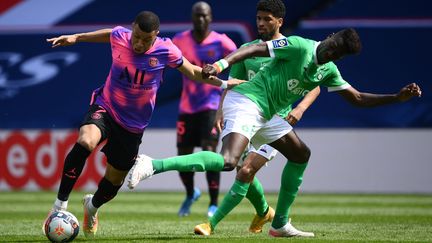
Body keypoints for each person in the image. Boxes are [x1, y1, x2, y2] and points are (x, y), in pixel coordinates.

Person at [127, 27, 421, 237]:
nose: (331, 50)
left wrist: (396, 97)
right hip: (247, 101)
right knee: (230, 161)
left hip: (268, 115)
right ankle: (152, 164)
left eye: (337, 53)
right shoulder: (300, 46)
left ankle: (279, 223)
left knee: (300, 154)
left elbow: (356, 98)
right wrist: (222, 63)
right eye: (333, 44)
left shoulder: (328, 70)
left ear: (340, 57)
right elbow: (255, 48)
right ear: (330, 37)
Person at [43, 10, 243, 238]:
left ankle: (92, 207)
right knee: (86, 141)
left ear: (155, 35)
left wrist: (224, 84)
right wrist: (77, 38)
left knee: (115, 180)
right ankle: (59, 206)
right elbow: (109, 34)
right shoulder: (121, 36)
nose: (138, 43)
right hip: (106, 107)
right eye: (136, 36)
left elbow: (195, 72)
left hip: (133, 126)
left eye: (145, 40)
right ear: (132, 28)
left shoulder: (166, 49)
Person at [215, 0, 320, 233]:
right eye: (258, 18)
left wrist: (300, 108)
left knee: (245, 171)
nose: (261, 23)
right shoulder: (248, 49)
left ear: (280, 21)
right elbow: (233, 83)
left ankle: (211, 223)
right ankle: (264, 212)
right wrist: (220, 110)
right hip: (247, 114)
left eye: (267, 19)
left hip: (275, 120)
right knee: (238, 168)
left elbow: (316, 83)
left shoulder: (292, 48)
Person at [172, 1, 237, 218]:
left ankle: (213, 203)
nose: (201, 19)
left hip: (211, 106)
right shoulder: (180, 40)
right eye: (197, 15)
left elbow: (239, 59)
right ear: (192, 17)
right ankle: (191, 193)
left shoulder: (222, 42)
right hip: (186, 108)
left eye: (205, 15)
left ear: (211, 18)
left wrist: (232, 88)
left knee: (209, 153)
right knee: (182, 158)